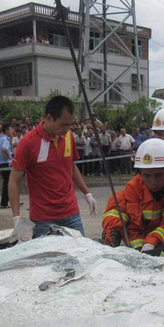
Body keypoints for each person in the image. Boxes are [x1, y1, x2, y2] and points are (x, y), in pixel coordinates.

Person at [9, 96, 97, 238]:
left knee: (81, 255)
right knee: (46, 259)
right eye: (63, 125)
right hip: (43, 219)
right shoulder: (28, 143)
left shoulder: (68, 137)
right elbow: (14, 180)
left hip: (71, 213)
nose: (67, 129)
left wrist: (87, 194)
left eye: (70, 125)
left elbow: (71, 167)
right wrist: (16, 217)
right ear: (49, 118)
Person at [102, 138, 164, 257]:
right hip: (144, 245)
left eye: (159, 175)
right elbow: (133, 226)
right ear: (139, 173)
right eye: (146, 176)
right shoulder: (133, 187)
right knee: (118, 199)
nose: (153, 182)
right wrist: (139, 250)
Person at [0, 124, 13, 209]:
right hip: (6, 163)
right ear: (6, 130)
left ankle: (5, 202)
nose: (11, 131)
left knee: (6, 182)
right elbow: (4, 149)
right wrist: (8, 155)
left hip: (1, 162)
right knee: (8, 183)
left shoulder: (0, 138)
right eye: (10, 130)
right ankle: (4, 203)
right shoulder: (5, 139)